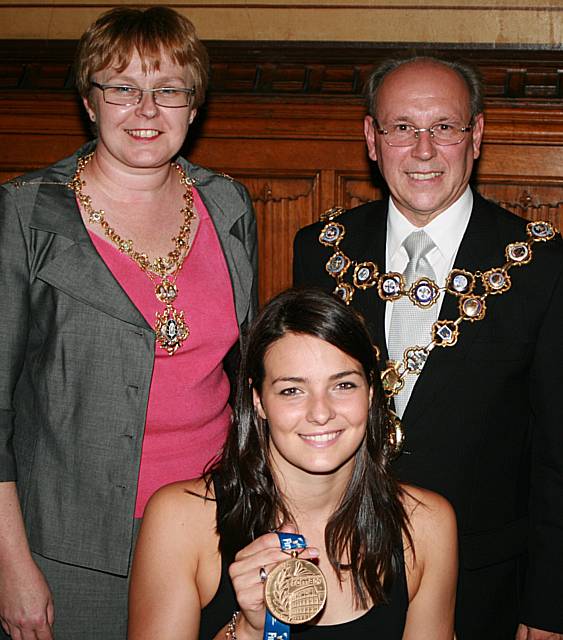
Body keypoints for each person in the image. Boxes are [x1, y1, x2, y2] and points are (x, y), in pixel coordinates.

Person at [0, 6, 257, 639]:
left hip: (213, 525)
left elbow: (249, 369)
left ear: (193, 107)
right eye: (122, 87)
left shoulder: (227, 203)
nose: (146, 109)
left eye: (168, 90)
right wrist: (10, 566)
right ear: (91, 102)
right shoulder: (26, 214)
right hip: (70, 549)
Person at [293, 55, 563, 640]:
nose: (423, 150)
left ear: (477, 136)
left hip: (485, 583)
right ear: (372, 137)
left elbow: (558, 456)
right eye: (402, 128)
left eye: (444, 127)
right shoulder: (321, 250)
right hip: (338, 572)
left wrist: (548, 606)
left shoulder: (542, 266)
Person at [128, 287, 457, 639]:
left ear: (372, 394)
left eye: (343, 385)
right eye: (292, 390)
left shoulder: (426, 525)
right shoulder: (182, 521)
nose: (320, 412)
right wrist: (252, 631)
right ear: (258, 401)